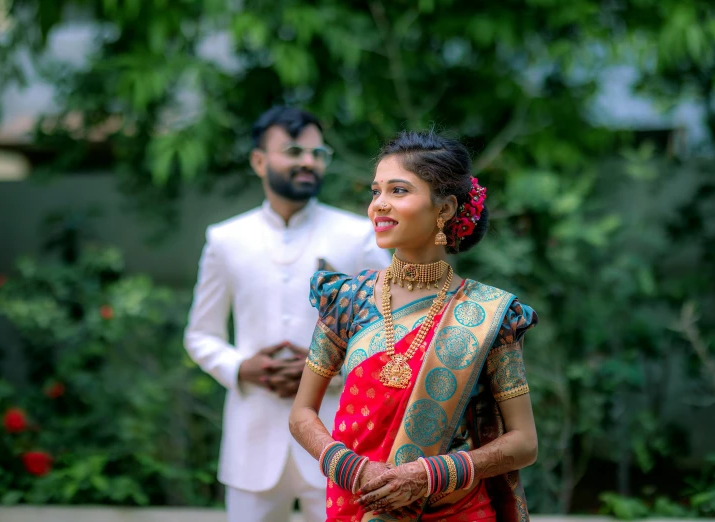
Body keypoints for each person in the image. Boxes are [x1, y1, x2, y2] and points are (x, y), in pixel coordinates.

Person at [289, 130, 539, 522]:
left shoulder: (491, 314)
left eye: (399, 191)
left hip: (458, 510)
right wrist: (353, 470)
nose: (379, 206)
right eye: (375, 192)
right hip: (360, 503)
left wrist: (429, 474)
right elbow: (302, 414)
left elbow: (524, 442)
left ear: (445, 209)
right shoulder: (346, 300)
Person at [184, 106, 391, 522]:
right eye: (294, 150)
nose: (308, 162)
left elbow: (392, 332)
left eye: (318, 153)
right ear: (259, 160)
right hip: (252, 439)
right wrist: (242, 367)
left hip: (338, 439)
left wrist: (330, 371)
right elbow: (200, 335)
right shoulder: (225, 239)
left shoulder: (358, 235)